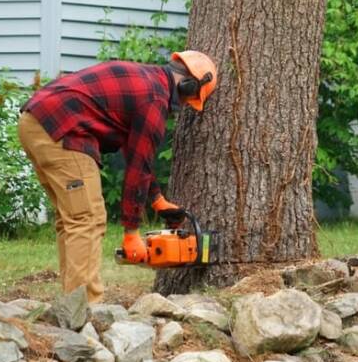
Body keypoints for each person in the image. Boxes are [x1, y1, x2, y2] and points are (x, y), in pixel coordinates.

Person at [17, 51, 217, 303]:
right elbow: (137, 168)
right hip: (63, 130)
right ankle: (84, 308)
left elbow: (137, 155)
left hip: (36, 121)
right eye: (190, 99)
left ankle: (71, 302)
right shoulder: (154, 100)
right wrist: (131, 232)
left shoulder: (147, 80)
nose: (186, 105)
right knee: (87, 218)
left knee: (73, 219)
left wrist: (156, 200)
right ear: (188, 85)